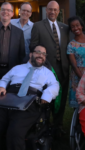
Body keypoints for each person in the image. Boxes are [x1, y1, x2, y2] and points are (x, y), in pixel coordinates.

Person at [0, 45, 59, 150]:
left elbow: (55, 85)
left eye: (44, 54)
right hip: (8, 99)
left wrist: (47, 95)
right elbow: (5, 79)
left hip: (30, 102)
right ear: (31, 54)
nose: (41, 55)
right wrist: (1, 86)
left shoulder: (48, 73)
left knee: (15, 132)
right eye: (38, 52)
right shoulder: (17, 68)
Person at [30, 0, 69, 136]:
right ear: (46, 10)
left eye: (55, 10)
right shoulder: (38, 26)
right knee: (45, 98)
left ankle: (58, 126)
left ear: (59, 11)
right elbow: (33, 46)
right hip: (46, 69)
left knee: (61, 99)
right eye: (50, 9)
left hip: (63, 69)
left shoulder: (65, 27)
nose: (53, 12)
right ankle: (44, 125)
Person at [0, 2, 25, 78]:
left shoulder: (19, 32)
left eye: (8, 10)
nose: (5, 12)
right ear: (0, 12)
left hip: (12, 71)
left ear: (12, 14)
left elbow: (21, 55)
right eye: (3, 9)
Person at [67, 16, 85, 108]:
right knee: (79, 101)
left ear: (81, 26)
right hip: (78, 76)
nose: (76, 28)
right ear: (71, 29)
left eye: (77, 25)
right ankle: (77, 120)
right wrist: (83, 78)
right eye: (73, 26)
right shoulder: (71, 45)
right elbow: (74, 65)